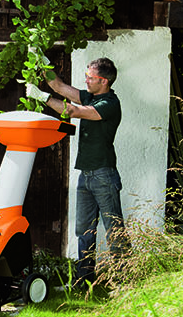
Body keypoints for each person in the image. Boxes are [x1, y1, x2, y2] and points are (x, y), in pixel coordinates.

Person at [26, 57, 127, 288]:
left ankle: (124, 281)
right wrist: (41, 60)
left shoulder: (110, 104)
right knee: (84, 230)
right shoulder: (90, 95)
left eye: (90, 77)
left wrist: (42, 98)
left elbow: (72, 111)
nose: (86, 80)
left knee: (114, 230)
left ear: (103, 81)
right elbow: (59, 86)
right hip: (86, 175)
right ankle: (84, 280)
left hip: (104, 175)